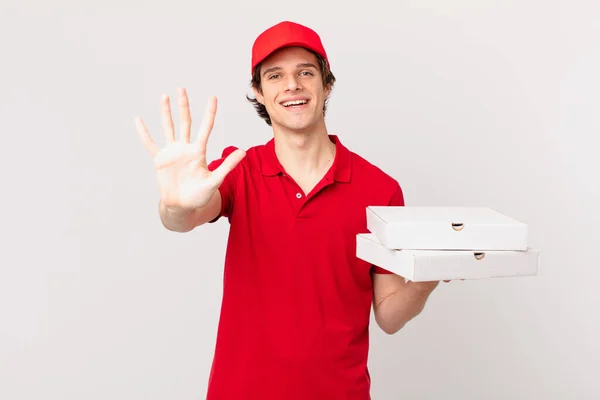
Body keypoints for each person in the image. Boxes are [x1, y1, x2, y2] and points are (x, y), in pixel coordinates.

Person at [135, 20, 444, 400]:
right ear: (259, 92)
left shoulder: (379, 188)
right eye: (275, 75)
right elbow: (183, 218)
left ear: (326, 84)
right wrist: (175, 203)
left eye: (305, 72)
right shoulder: (238, 171)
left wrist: (428, 276)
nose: (292, 85)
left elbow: (389, 315)